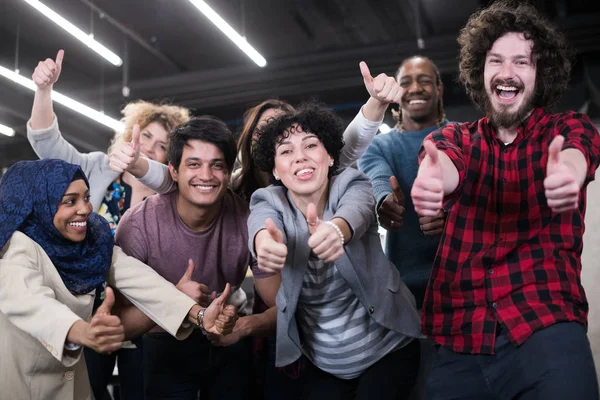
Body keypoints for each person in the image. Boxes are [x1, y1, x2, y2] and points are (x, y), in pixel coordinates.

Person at [109, 62, 403, 399]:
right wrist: (139, 165)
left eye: (297, 138)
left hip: (336, 327)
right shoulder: (240, 197)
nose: (291, 148)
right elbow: (184, 180)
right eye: (270, 136)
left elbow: (346, 155)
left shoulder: (328, 181)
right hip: (188, 336)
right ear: (255, 147)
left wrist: (375, 105)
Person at [410, 2, 600, 399]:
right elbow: (442, 161)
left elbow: (578, 151)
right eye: (496, 60)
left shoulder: (567, 128)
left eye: (522, 62)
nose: (507, 72)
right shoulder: (457, 137)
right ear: (481, 71)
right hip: (459, 340)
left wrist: (569, 171)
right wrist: (432, 179)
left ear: (540, 74)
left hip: (545, 328)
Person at [0, 159, 237, 400]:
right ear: (40, 204)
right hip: (23, 385)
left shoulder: (92, 240)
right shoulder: (17, 248)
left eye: (86, 197)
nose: (85, 209)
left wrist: (199, 314)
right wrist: (84, 331)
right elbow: (30, 302)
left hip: (75, 386)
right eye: (70, 201)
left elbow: (140, 279)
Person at [27, 49, 190, 399]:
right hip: (88, 302)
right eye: (145, 135)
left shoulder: (173, 193)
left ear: (170, 156)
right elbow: (45, 142)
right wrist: (43, 90)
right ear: (130, 133)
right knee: (86, 389)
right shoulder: (96, 168)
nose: (149, 147)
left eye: (162, 145)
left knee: (141, 390)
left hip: (144, 314)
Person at [248, 103, 423, 400]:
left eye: (311, 145)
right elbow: (259, 222)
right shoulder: (268, 199)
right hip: (325, 364)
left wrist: (335, 231)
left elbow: (357, 209)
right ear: (275, 169)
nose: (300, 156)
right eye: (286, 151)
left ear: (330, 156)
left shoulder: (352, 182)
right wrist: (265, 243)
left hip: (389, 348)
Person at [114, 116, 279, 400]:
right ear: (173, 171)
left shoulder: (248, 220)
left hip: (226, 342)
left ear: (228, 173)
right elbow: (119, 324)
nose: (206, 175)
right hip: (161, 342)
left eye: (217, 165)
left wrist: (242, 326)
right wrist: (174, 301)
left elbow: (283, 307)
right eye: (193, 164)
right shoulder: (138, 224)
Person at [358, 55, 449, 399]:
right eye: (406, 81)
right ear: (397, 92)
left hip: (464, 291)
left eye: (425, 80)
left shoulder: (463, 137)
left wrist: (452, 211)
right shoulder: (380, 145)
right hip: (407, 299)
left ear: (439, 89)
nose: (415, 88)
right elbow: (377, 176)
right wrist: (385, 201)